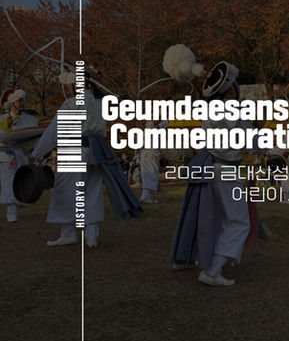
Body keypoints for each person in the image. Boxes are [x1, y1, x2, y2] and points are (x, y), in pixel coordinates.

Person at [31, 73, 141, 247]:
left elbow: (54, 131)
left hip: (75, 149)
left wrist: (37, 153)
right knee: (92, 191)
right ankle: (92, 236)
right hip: (97, 151)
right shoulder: (100, 103)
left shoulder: (71, 104)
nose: (68, 89)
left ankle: (68, 233)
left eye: (70, 85)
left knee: (65, 190)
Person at [171, 62, 253, 286]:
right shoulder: (232, 111)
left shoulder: (211, 111)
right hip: (226, 170)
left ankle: (205, 259)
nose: (235, 88)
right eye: (233, 85)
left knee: (219, 218)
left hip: (213, 168)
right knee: (239, 222)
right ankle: (212, 270)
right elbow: (251, 143)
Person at [0, 89, 38, 222]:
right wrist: (7, 127)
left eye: (23, 101)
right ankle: (11, 212)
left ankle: (18, 203)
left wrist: (35, 153)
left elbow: (34, 138)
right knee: (9, 181)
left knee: (20, 180)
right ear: (12, 103)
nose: (22, 103)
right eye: (19, 101)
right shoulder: (2, 119)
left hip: (22, 154)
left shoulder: (30, 119)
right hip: (7, 155)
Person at [138, 121, 166, 203]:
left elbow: (162, 125)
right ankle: (145, 197)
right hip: (149, 155)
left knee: (149, 176)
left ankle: (146, 197)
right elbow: (149, 144)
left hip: (148, 155)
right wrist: (158, 154)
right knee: (150, 176)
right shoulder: (149, 129)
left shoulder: (152, 128)